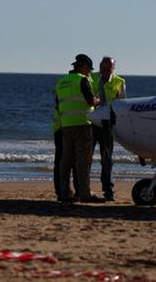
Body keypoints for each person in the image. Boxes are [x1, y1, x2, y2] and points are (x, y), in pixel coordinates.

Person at [55, 54, 103, 204]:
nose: (89, 72)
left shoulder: (61, 82)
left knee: (66, 161)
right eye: (89, 69)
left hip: (66, 125)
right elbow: (90, 101)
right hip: (82, 123)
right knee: (83, 161)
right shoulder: (82, 80)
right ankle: (84, 193)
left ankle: (64, 193)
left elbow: (58, 104)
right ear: (83, 67)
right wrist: (99, 100)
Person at [90, 56, 126, 201]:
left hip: (106, 124)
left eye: (108, 68)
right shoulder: (91, 78)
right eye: (102, 67)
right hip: (91, 122)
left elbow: (122, 105)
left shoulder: (119, 82)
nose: (104, 71)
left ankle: (108, 190)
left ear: (113, 68)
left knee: (106, 159)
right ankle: (82, 189)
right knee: (86, 158)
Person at [52, 107, 78, 201]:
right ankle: (67, 192)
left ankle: (61, 192)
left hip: (60, 125)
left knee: (61, 161)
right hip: (68, 125)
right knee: (72, 161)